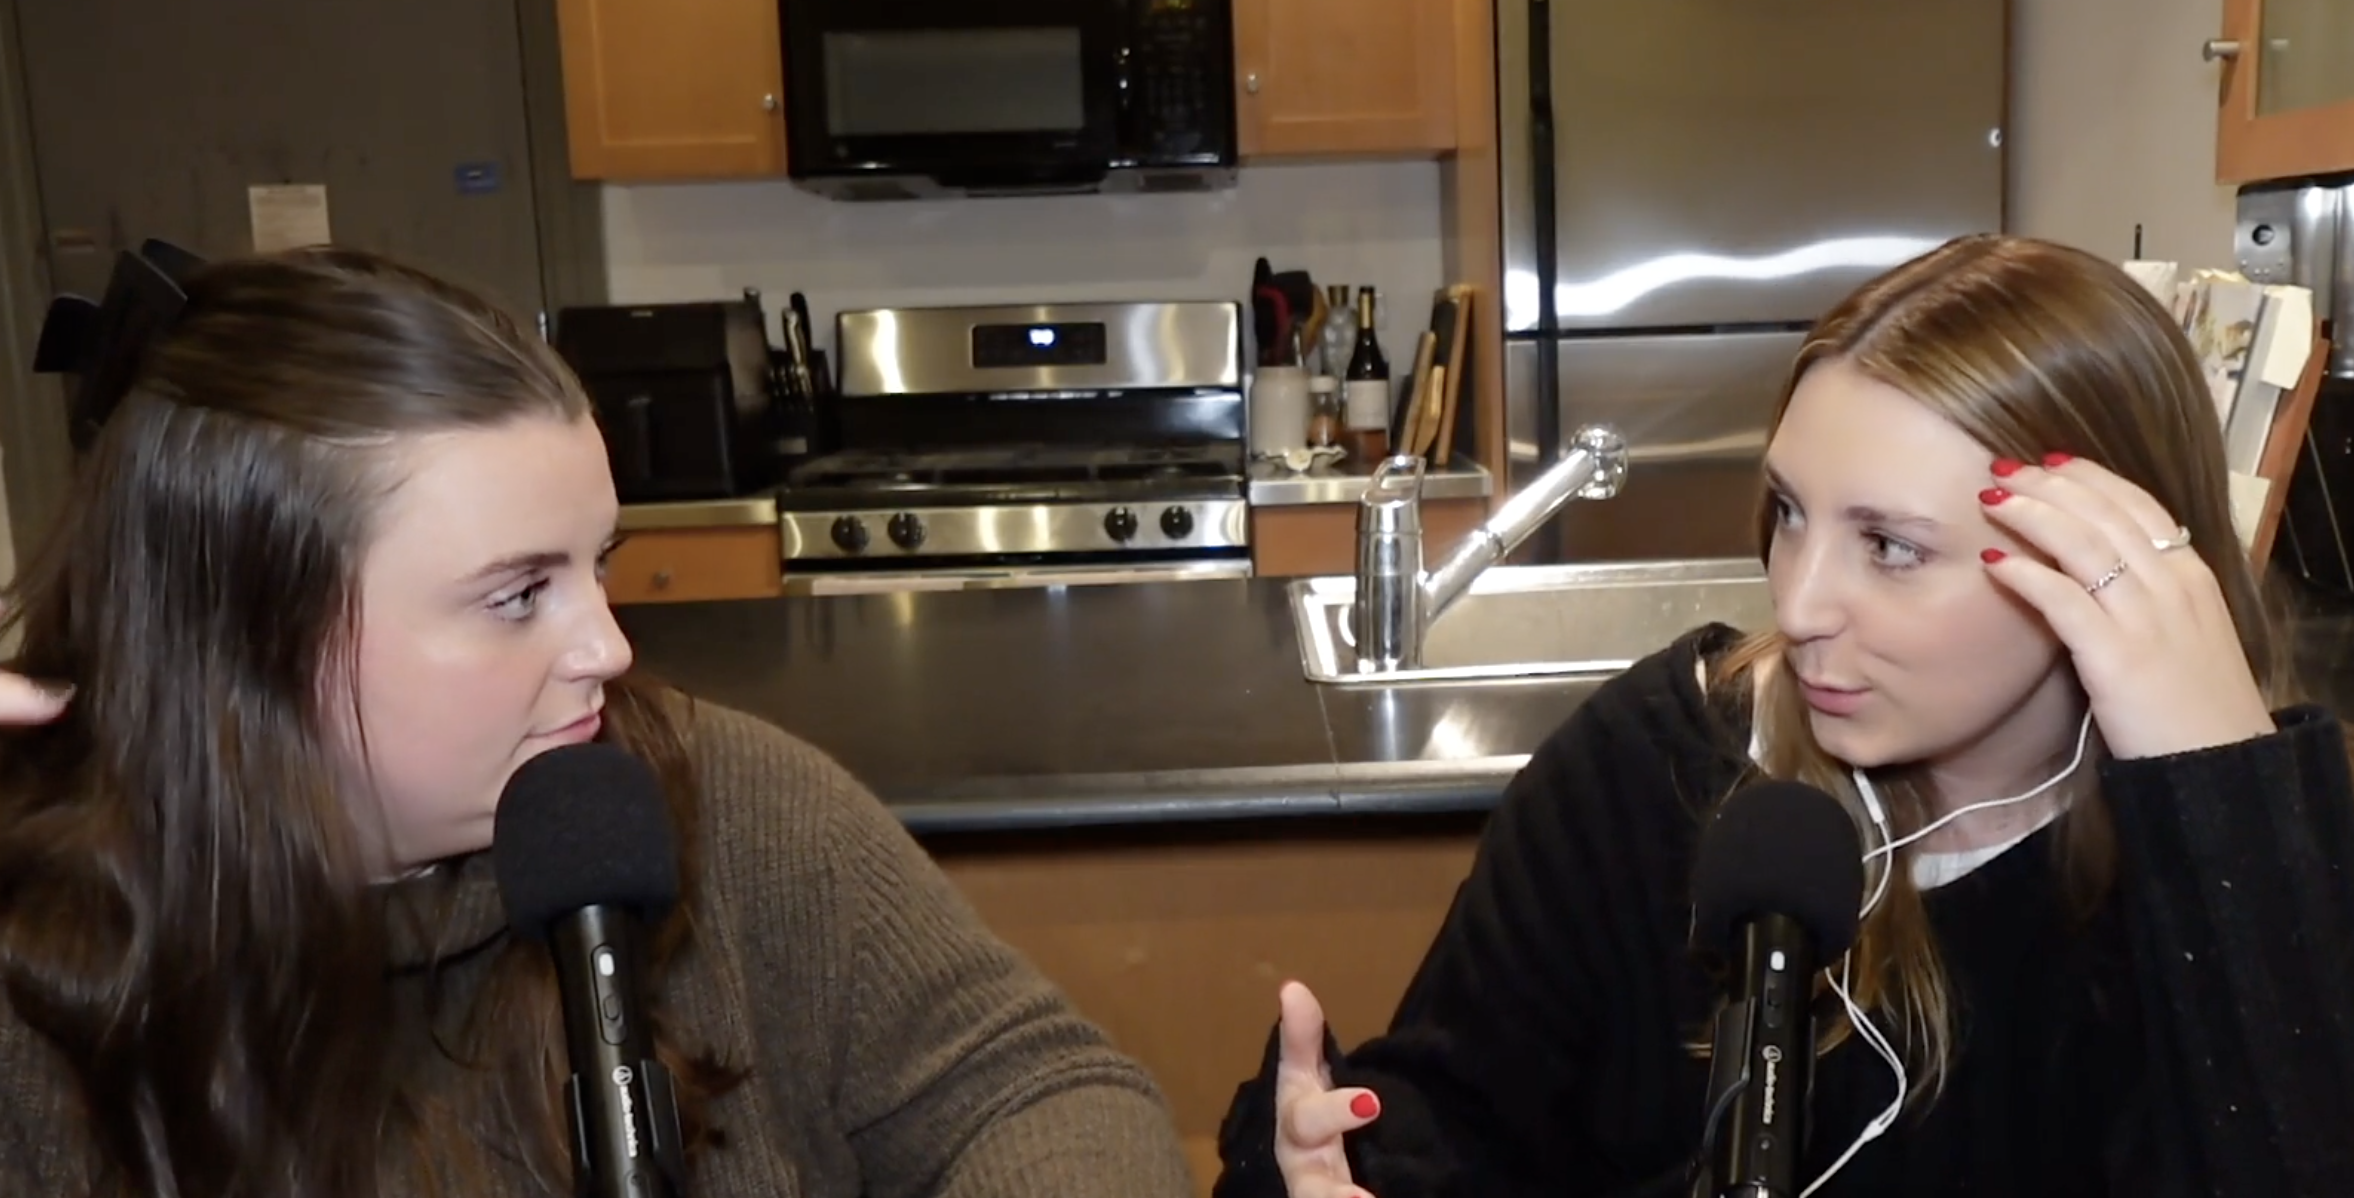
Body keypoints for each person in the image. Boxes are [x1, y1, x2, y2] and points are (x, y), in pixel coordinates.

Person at [0, 242, 1197, 1197]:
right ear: (245, 630)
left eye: (597, 566)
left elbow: (1031, 1089)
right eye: (518, 593)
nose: (609, 649)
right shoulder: (41, 983)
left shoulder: (728, 804)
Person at [1213, 234, 2354, 1198]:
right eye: (1791, 512)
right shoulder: (1656, 762)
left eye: (1891, 547)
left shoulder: (2246, 855)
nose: (1798, 603)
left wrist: (2217, 802)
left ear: (2096, 566)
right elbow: (1456, 1116)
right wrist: (1332, 1164)